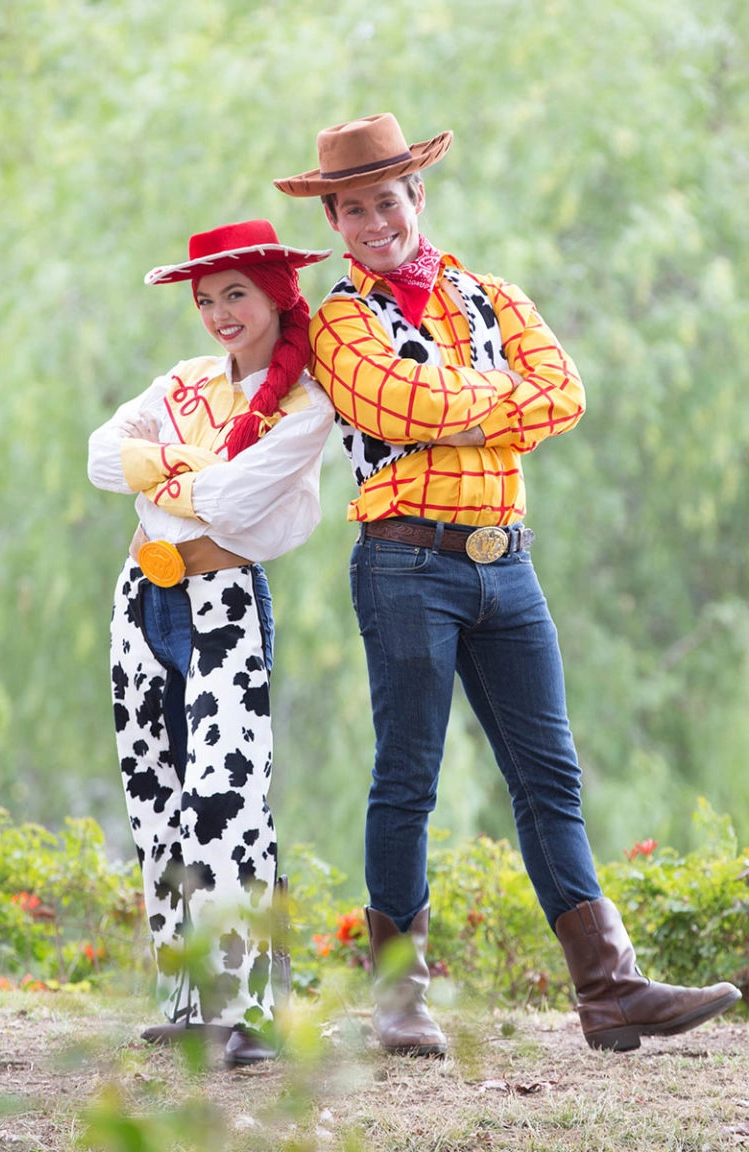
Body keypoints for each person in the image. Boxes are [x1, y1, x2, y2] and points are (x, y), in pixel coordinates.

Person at [273, 114, 742, 1055]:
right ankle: (399, 1000)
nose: (373, 222)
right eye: (353, 209)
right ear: (334, 221)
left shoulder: (494, 295)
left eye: (386, 200)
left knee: (549, 775)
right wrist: (497, 399)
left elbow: (564, 391)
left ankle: (608, 988)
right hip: (405, 562)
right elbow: (393, 405)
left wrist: (455, 413)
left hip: (507, 563)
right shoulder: (340, 321)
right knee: (409, 775)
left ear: (417, 196)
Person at [87, 219, 333, 1066]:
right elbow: (99, 456)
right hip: (140, 593)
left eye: (236, 294)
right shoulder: (184, 381)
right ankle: (188, 1001)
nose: (220, 313)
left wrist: (158, 465)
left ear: (277, 295)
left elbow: (234, 505)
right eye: (205, 299)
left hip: (222, 600)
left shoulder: (303, 406)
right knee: (154, 791)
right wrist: (194, 468)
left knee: (227, 798)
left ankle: (252, 1010)